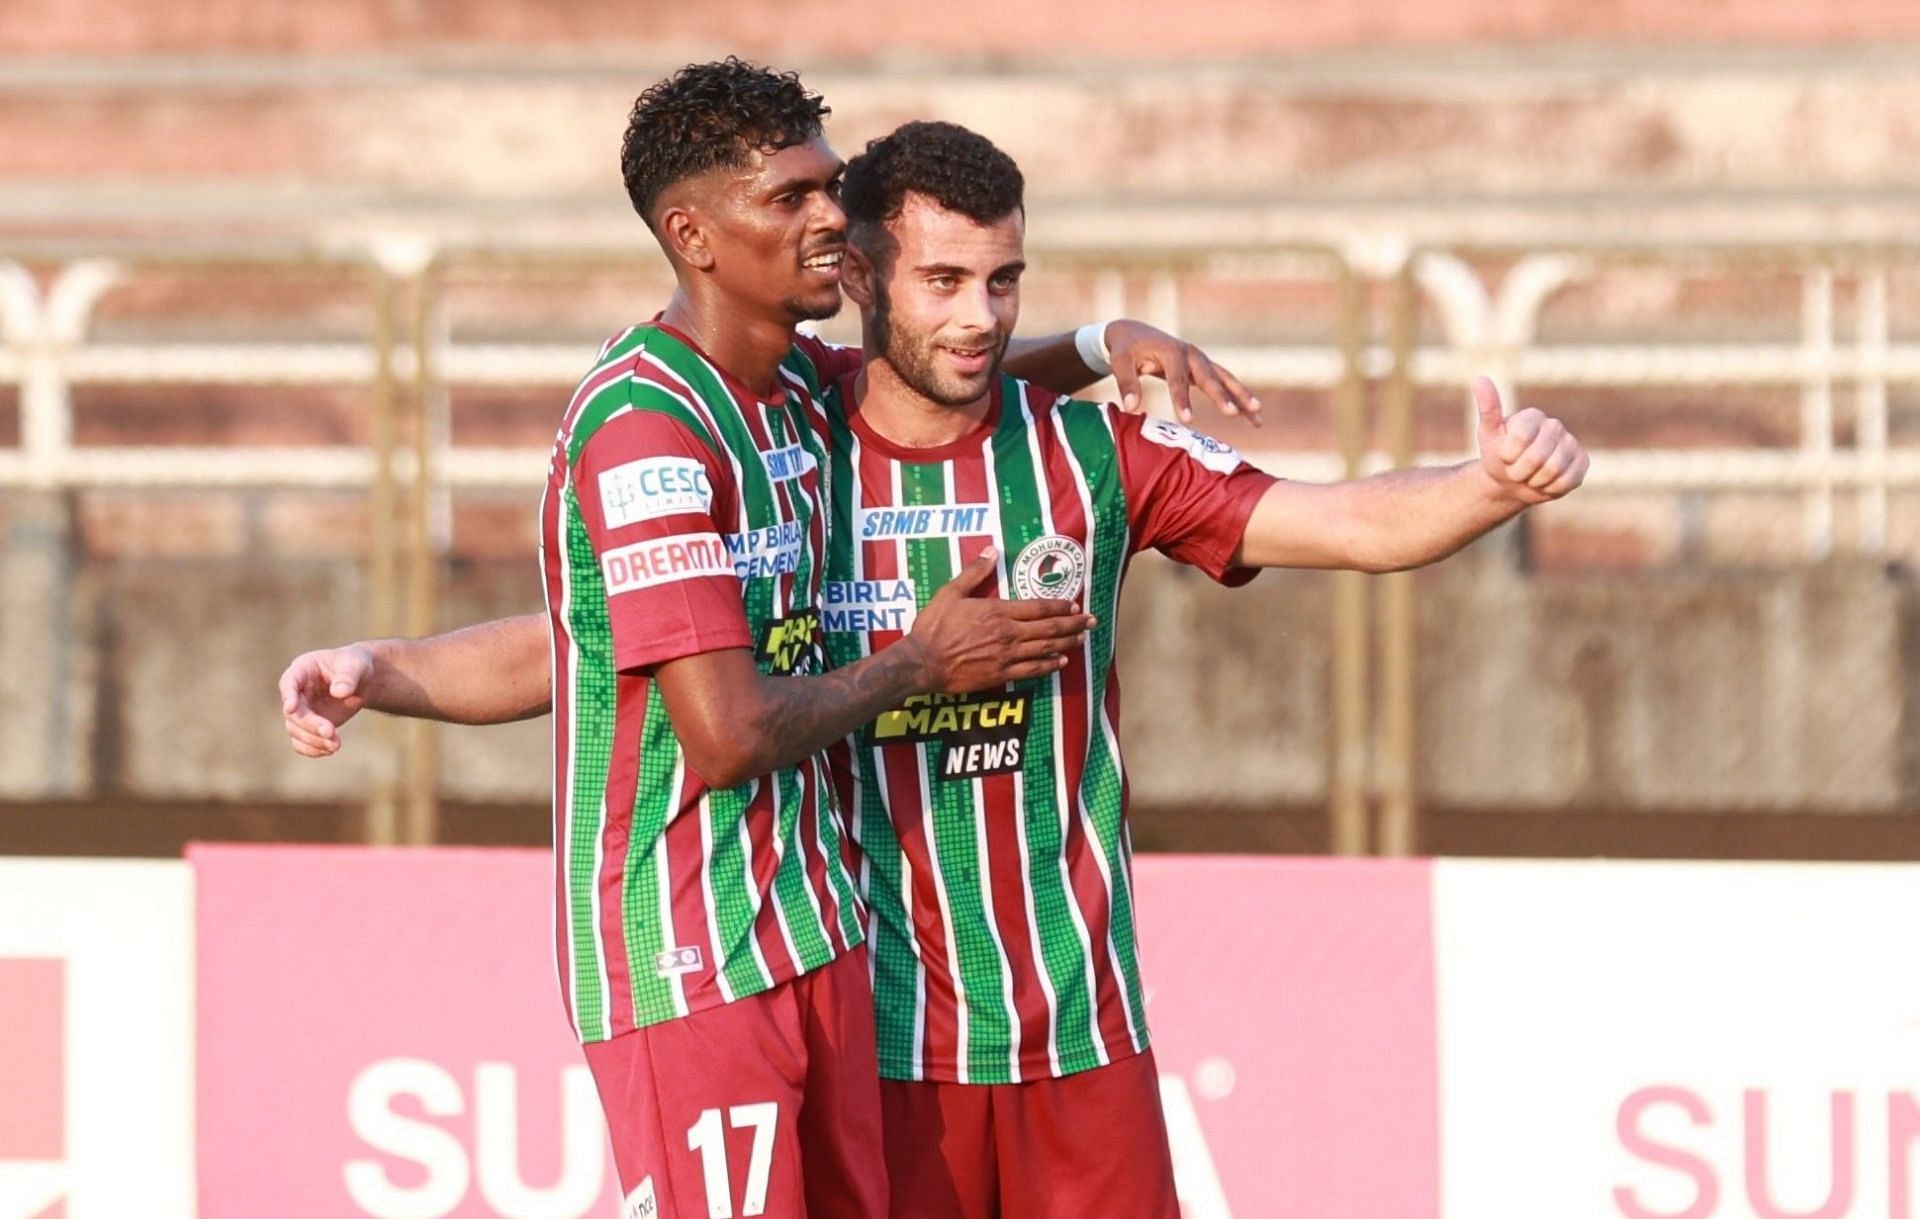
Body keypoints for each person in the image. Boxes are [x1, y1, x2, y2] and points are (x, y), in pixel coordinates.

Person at [280, 61, 1261, 1219]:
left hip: (815, 935)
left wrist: (1095, 342)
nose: (831, 216)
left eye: (829, 187)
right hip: (692, 959)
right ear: (694, 234)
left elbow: (924, 375)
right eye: (792, 197)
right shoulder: (646, 429)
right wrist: (923, 662)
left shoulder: (790, 386)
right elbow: (728, 731)